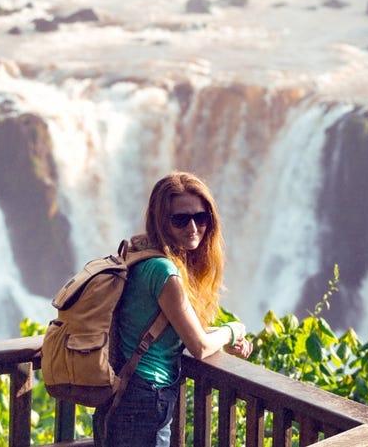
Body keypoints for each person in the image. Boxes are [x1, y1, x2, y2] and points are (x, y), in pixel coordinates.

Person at [93, 171, 253, 447]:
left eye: (201, 217)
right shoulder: (163, 271)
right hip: (144, 401)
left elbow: (179, 328)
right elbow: (200, 347)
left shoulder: (141, 255)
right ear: (162, 222)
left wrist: (216, 336)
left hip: (124, 394)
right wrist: (233, 330)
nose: (193, 227)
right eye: (180, 219)